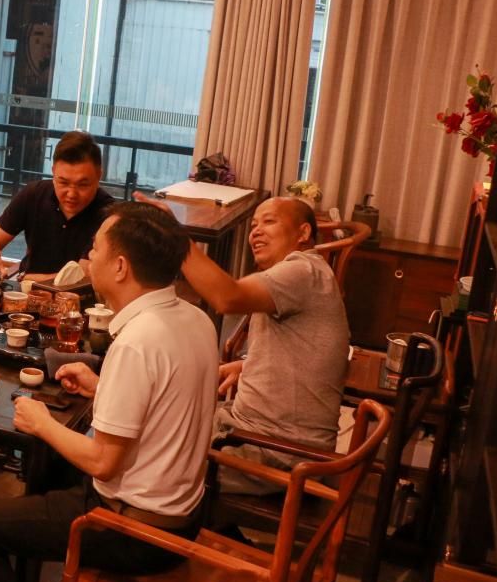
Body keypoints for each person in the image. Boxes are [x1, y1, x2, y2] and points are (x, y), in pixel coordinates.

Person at [0, 202, 218, 582]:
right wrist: (103, 385)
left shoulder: (138, 341)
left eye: (95, 249)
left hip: (135, 530)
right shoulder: (194, 318)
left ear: (121, 266)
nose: (88, 258)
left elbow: (103, 462)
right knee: (47, 473)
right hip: (185, 512)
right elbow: (165, 399)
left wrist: (42, 423)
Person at [139, 192, 350, 494]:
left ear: (303, 232)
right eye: (253, 226)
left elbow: (228, 297)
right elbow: (308, 348)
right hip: (258, 434)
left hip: (278, 452)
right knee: (158, 424)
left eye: (269, 222)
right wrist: (249, 365)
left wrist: (176, 236)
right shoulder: (306, 273)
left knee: (147, 455)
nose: (256, 232)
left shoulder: (302, 270)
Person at [0, 131, 114, 282]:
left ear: (99, 176)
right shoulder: (34, 194)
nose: (71, 194)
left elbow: (82, 278)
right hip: (28, 290)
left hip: (76, 295)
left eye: (82, 184)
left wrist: (30, 279)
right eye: (63, 182)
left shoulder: (109, 215)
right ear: (53, 172)